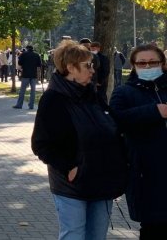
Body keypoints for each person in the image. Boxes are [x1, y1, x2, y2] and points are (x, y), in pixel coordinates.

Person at [31, 40, 127, 240]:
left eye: (93, 65)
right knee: (74, 235)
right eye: (87, 66)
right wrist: (69, 167)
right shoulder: (53, 99)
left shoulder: (93, 94)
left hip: (101, 180)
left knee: (97, 235)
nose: (93, 71)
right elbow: (41, 144)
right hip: (72, 184)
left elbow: (111, 126)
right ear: (70, 68)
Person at [110, 44, 167, 239]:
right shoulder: (124, 92)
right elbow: (116, 120)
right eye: (142, 63)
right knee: (154, 226)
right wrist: (155, 111)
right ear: (133, 65)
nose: (148, 66)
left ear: (162, 63)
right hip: (146, 172)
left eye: (153, 62)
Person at [13, 45, 41, 110]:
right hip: (33, 75)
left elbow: (19, 63)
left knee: (22, 90)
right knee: (33, 91)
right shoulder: (36, 55)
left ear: (27, 49)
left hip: (25, 74)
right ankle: (31, 105)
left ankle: (19, 104)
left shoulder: (23, 54)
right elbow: (39, 65)